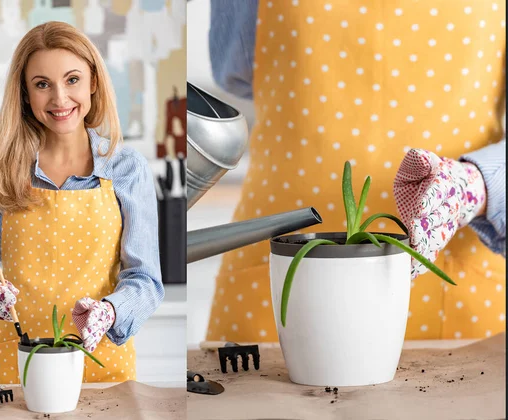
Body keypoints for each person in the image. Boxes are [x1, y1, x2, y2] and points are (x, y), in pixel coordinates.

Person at [206, 0, 506, 342]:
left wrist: (475, 184)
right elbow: (239, 67)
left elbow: (235, 70)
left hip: (461, 286)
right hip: (276, 279)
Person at [0, 21, 163, 384]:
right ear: (25, 94)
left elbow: (145, 280)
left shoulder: (127, 168)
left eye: (72, 80)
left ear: (93, 82)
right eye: (42, 84)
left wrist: (110, 312)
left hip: (101, 366)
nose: (59, 99)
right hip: (15, 366)